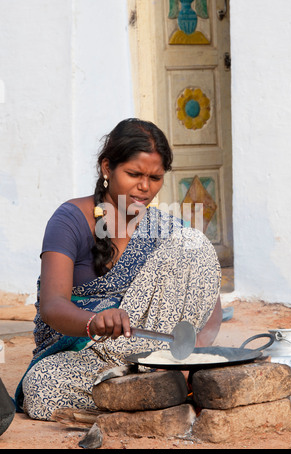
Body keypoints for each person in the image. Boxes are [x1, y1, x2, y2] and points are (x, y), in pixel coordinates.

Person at [15, 118, 222, 420]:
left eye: (155, 178)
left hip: (155, 356)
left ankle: (160, 382)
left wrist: (192, 354)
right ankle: (158, 392)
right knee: (42, 386)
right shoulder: (70, 220)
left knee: (191, 243)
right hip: (87, 355)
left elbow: (209, 299)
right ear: (107, 168)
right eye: (134, 174)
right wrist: (94, 321)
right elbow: (52, 304)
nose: (144, 187)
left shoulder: (164, 229)